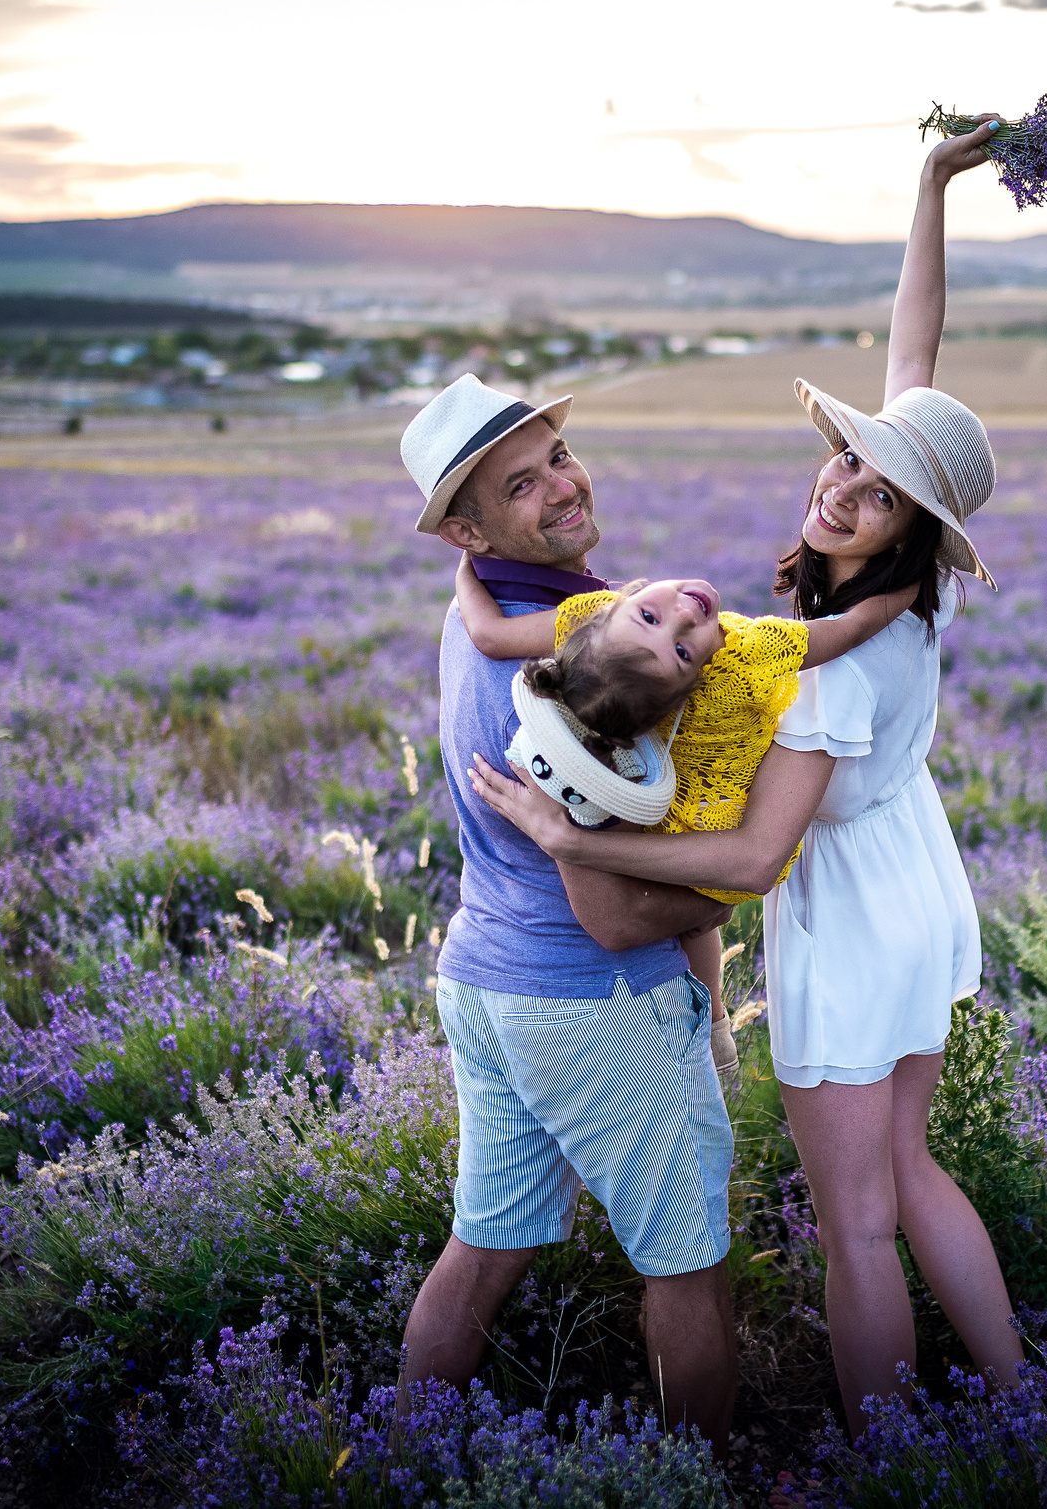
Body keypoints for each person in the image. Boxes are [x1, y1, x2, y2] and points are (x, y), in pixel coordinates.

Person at [466, 115, 1027, 1433]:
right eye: (848, 457)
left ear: (910, 529)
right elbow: (915, 353)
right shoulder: (903, 601)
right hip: (916, 882)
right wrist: (933, 187)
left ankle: (893, 1455)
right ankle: (1022, 1395)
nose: (842, 484)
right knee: (909, 1164)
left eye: (879, 492)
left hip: (849, 909)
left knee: (857, 1224)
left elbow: (750, 862)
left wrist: (575, 839)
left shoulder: (822, 673)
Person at [392, 373, 738, 1446]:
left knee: (484, 1248)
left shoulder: (490, 615)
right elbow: (616, 916)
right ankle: (702, 1472)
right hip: (593, 1005)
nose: (561, 487)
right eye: (519, 482)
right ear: (467, 525)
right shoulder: (573, 669)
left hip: (485, 981)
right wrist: (733, 891)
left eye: (558, 457)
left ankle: (400, 1454)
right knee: (691, 1266)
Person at [451, 557, 917, 1079]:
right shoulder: (748, 651)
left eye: (651, 619)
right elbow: (851, 627)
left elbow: (489, 634)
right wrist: (913, 585)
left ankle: (713, 1024)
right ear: (687, 684)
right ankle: (713, 1028)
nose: (683, 616)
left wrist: (464, 574)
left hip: (679, 828)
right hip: (700, 831)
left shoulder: (599, 622)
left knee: (695, 928)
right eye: (680, 649)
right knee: (698, 921)